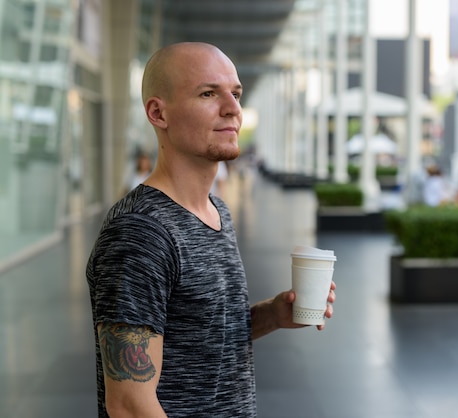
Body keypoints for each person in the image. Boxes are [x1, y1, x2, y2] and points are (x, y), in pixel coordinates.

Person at [86, 42, 337, 417]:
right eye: (208, 93)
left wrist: (273, 315)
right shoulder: (140, 233)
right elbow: (129, 405)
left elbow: (198, 335)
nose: (233, 109)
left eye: (235, 94)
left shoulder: (216, 210)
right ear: (158, 113)